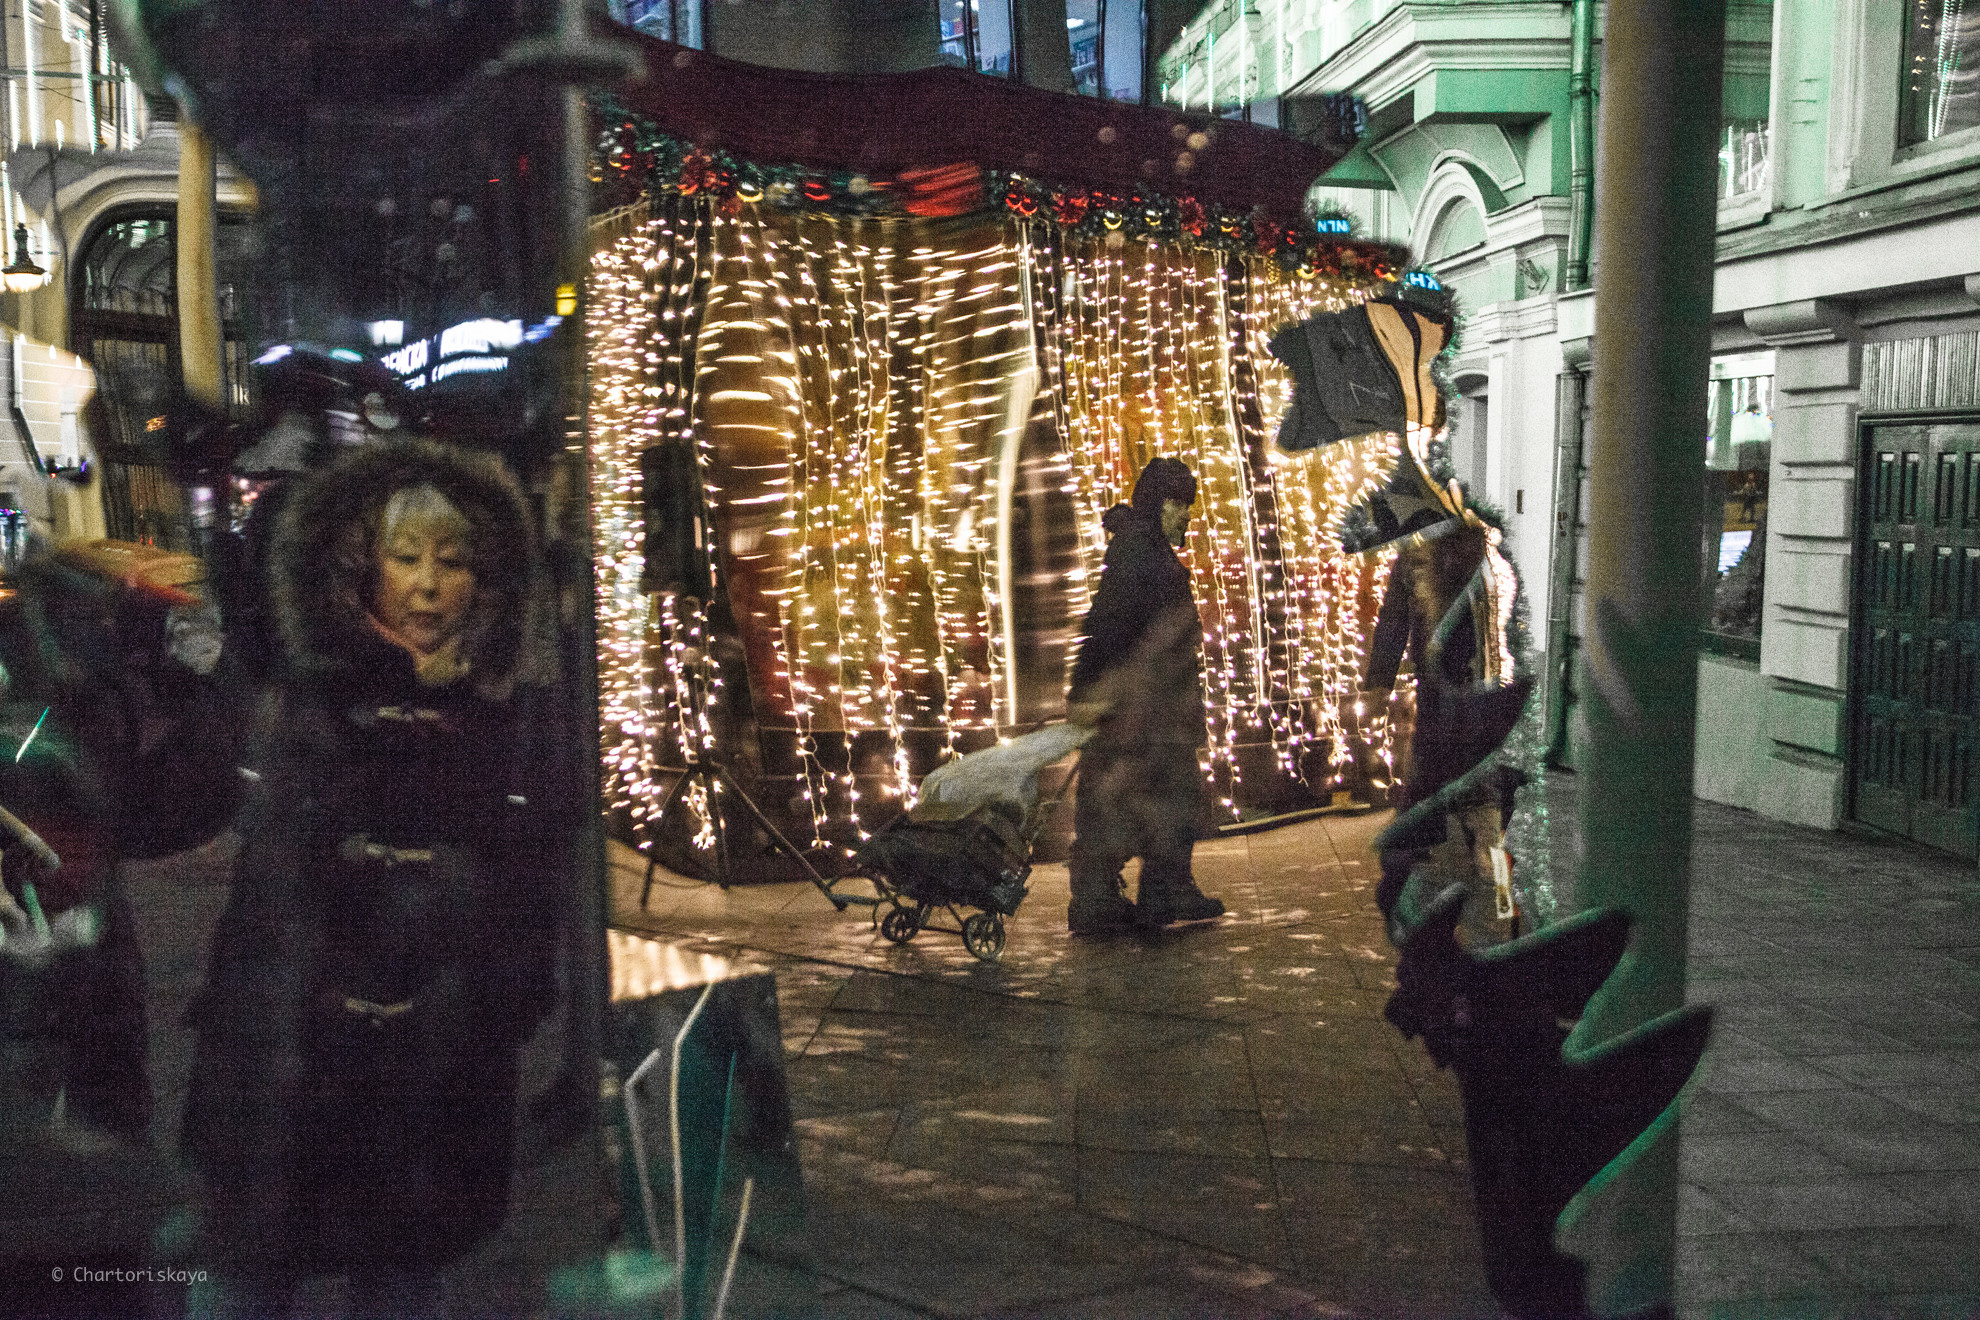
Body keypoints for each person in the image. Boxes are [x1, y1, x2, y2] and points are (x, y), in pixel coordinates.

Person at [182, 438, 561, 1317]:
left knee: (399, 1281)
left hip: (434, 1082)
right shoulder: (297, 698)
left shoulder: (507, 721)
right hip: (284, 1073)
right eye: (406, 558)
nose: (429, 585)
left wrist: (499, 1003)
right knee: (245, 1281)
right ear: (363, 568)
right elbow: (205, 825)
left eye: (454, 561)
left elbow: (533, 893)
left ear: (487, 579)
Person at [1064, 456, 1226, 935]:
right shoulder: (1140, 554)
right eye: (1178, 504)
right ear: (1159, 505)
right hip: (1145, 707)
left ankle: (1125, 896)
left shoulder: (1144, 550)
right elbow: (1106, 624)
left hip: (1152, 705)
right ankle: (1149, 893)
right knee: (1165, 798)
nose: (1186, 515)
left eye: (1187, 504)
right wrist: (1085, 689)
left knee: (1139, 799)